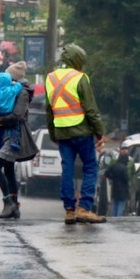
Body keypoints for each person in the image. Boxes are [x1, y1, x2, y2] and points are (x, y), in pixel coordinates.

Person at [45, 43, 106, 224]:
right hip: (81, 131)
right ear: (78, 60)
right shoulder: (80, 78)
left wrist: (53, 134)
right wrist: (99, 131)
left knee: (67, 170)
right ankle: (84, 208)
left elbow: (49, 110)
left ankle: (69, 210)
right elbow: (90, 109)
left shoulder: (50, 79)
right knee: (90, 167)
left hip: (62, 132)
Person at [0, 61, 38, 219]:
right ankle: (14, 205)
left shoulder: (22, 93)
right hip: (6, 132)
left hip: (15, 134)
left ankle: (8, 202)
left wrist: (1, 120)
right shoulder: (11, 91)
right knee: (8, 170)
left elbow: (17, 115)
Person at [103, 152, 132, 217]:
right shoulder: (124, 168)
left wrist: (112, 177)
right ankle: (118, 218)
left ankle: (113, 217)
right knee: (121, 205)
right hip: (123, 189)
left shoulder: (113, 166)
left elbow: (106, 174)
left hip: (115, 188)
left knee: (115, 204)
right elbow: (126, 179)